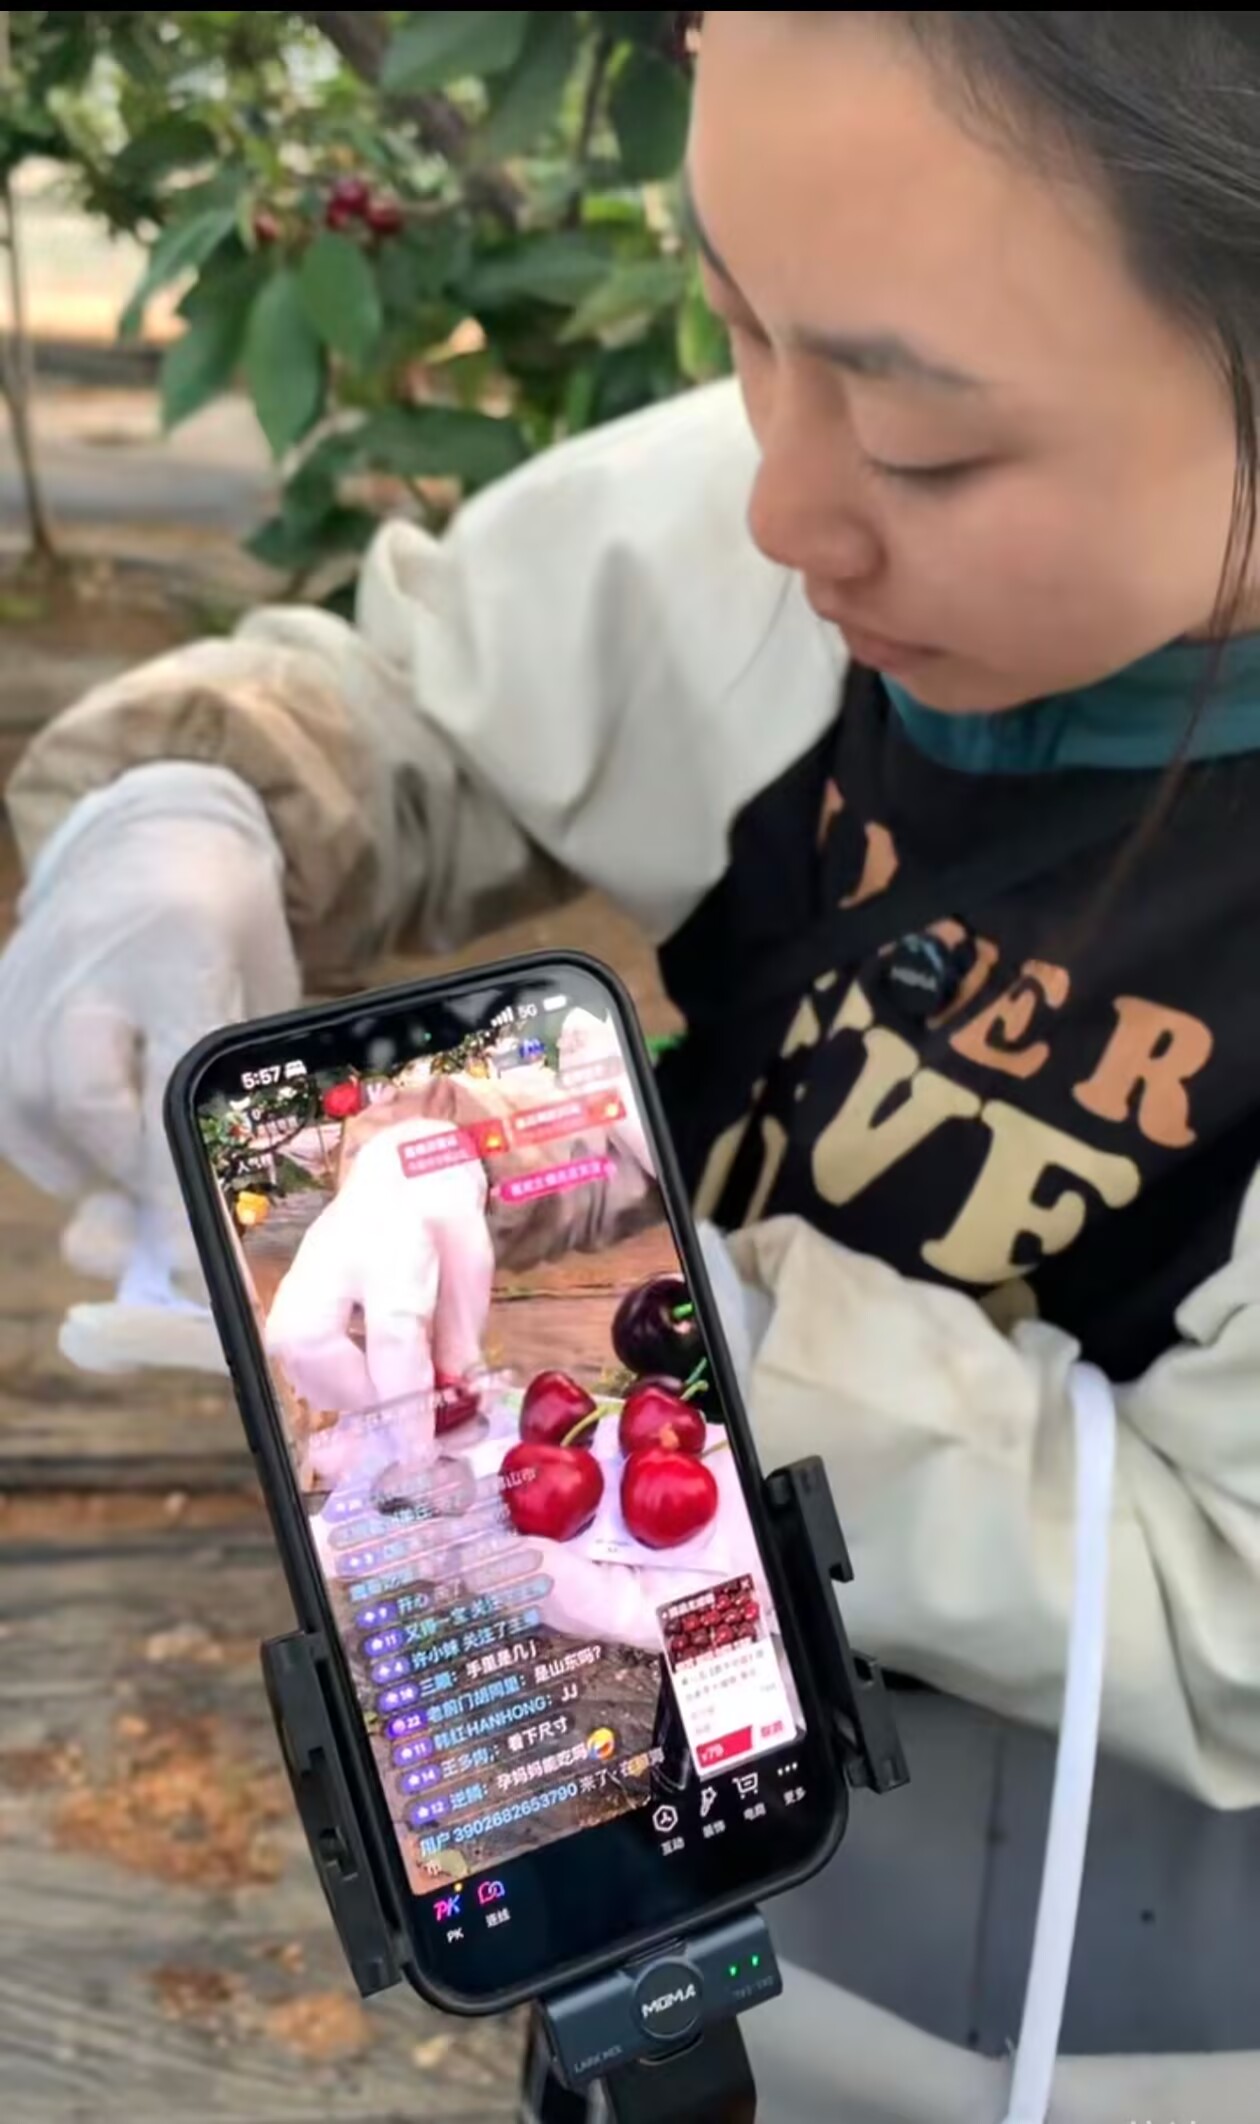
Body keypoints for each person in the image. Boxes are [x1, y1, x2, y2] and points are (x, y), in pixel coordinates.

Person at [3, 11, 1260, 2118]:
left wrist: (689, 1351)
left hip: (1137, 2007)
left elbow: (1224, 1618)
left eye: (924, 448)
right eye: (740, 321)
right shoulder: (784, 508)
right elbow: (420, 695)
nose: (781, 505)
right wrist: (195, 819)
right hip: (649, 1825)